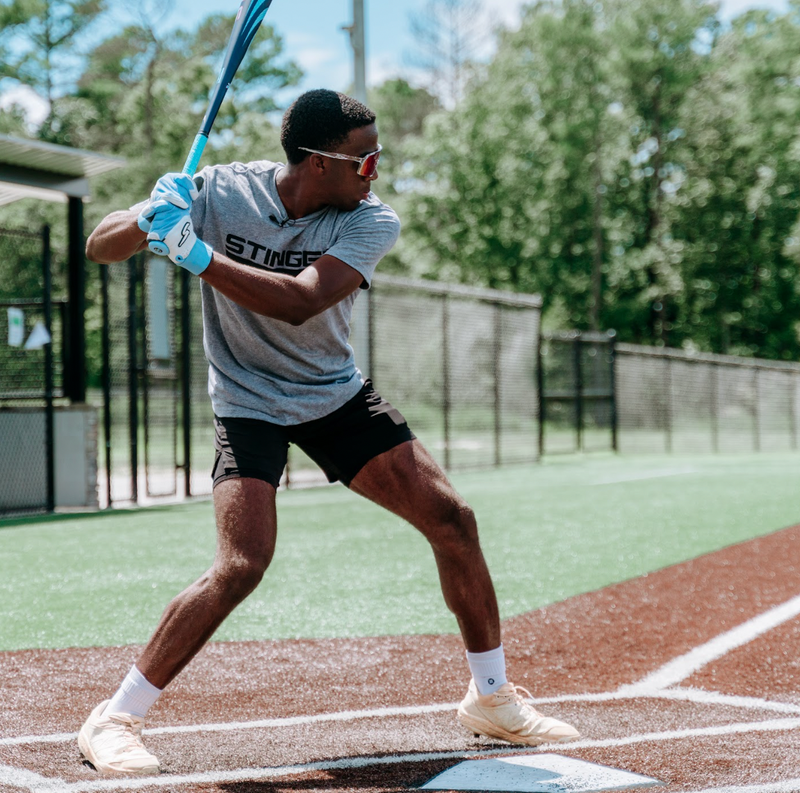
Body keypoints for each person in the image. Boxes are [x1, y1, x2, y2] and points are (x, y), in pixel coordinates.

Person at [78, 89, 579, 776]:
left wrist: (196, 256)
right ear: (318, 164)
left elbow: (302, 301)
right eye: (364, 160)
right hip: (247, 400)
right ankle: (114, 718)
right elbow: (98, 245)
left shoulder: (370, 221)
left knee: (452, 518)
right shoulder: (222, 190)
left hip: (332, 394)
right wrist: (144, 218)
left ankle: (491, 698)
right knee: (241, 563)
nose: (376, 171)